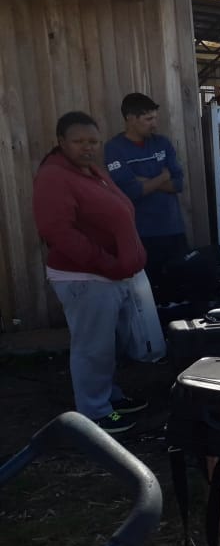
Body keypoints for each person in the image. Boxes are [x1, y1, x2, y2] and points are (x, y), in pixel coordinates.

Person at [33, 112, 151, 434]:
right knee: (92, 347)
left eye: (93, 141)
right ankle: (95, 413)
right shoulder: (54, 176)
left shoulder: (90, 171)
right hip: (85, 277)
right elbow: (58, 231)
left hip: (107, 275)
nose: (87, 147)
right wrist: (106, 263)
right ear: (61, 142)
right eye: (79, 141)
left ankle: (108, 397)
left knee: (106, 345)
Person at [104, 92, 188, 288]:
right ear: (130, 119)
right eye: (148, 119)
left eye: (155, 118)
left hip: (173, 230)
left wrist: (144, 182)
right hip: (141, 234)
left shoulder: (162, 143)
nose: (154, 124)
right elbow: (128, 191)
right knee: (151, 294)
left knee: (181, 288)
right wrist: (162, 177)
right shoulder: (115, 148)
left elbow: (178, 184)